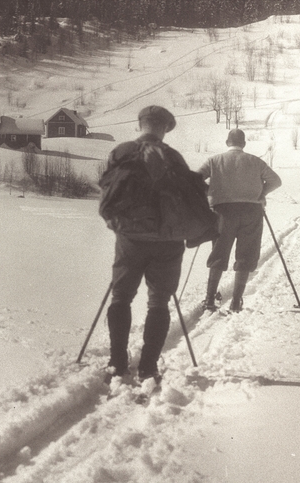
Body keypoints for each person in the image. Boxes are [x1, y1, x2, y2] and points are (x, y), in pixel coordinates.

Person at [99, 105, 191, 383]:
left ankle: (117, 361)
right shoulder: (174, 157)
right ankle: (148, 366)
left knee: (121, 297)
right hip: (167, 242)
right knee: (159, 302)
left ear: (140, 125)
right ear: (164, 128)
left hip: (130, 239)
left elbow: (106, 190)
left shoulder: (121, 152)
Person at [198, 128, 282, 312]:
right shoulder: (256, 161)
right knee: (246, 254)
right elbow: (276, 181)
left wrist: (210, 192)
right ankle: (236, 302)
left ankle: (210, 299)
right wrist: (261, 193)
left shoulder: (214, 161)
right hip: (251, 212)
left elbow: (194, 180)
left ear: (228, 142)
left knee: (219, 253)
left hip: (223, 212)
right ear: (243, 144)